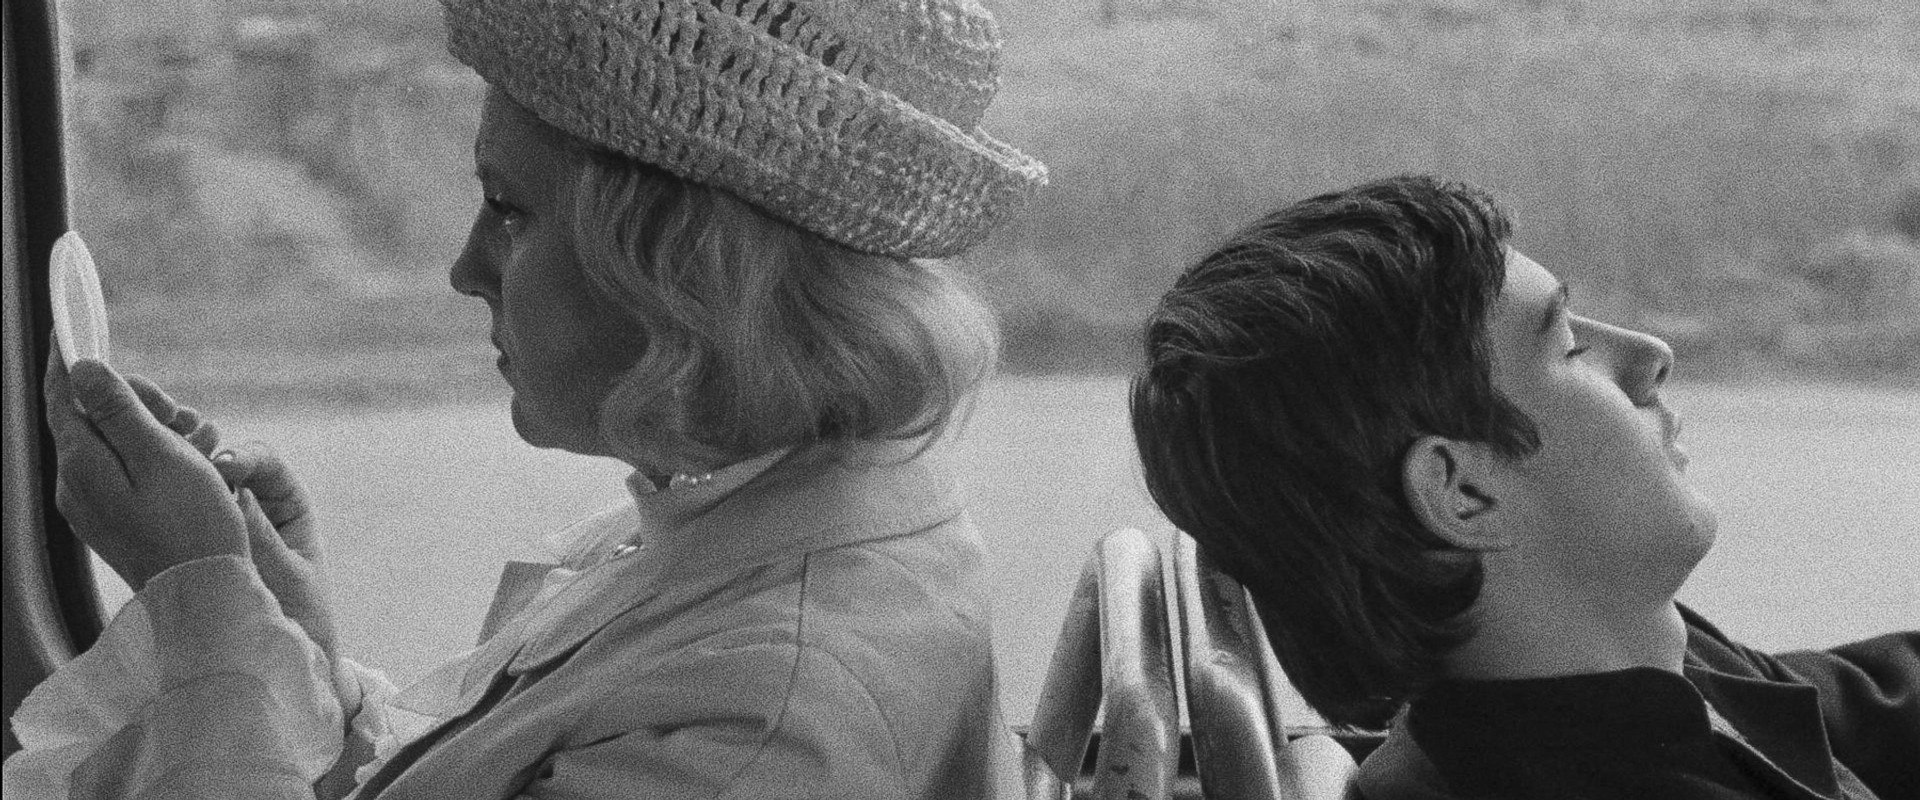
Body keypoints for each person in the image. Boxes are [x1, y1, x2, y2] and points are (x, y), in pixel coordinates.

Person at [6, 0, 1046, 797]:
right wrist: (292, 643)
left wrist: (201, 601)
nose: (466, 269)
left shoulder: (763, 723)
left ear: (678, 271)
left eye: (509, 210)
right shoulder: (746, 520)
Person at [1130, 175, 1919, 799]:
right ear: (1464, 493)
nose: (1651, 353)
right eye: (1569, 346)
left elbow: (1872, 706)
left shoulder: (1631, 675)